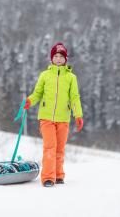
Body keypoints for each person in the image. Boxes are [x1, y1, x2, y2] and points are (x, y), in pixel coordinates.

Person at [24, 42, 84, 187]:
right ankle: (48, 178)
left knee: (60, 148)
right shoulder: (45, 75)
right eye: (55, 56)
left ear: (65, 59)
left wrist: (78, 115)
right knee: (50, 146)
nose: (58, 59)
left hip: (63, 118)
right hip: (46, 117)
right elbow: (37, 93)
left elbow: (74, 97)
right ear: (51, 58)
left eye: (61, 56)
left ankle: (58, 175)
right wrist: (30, 101)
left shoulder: (71, 78)